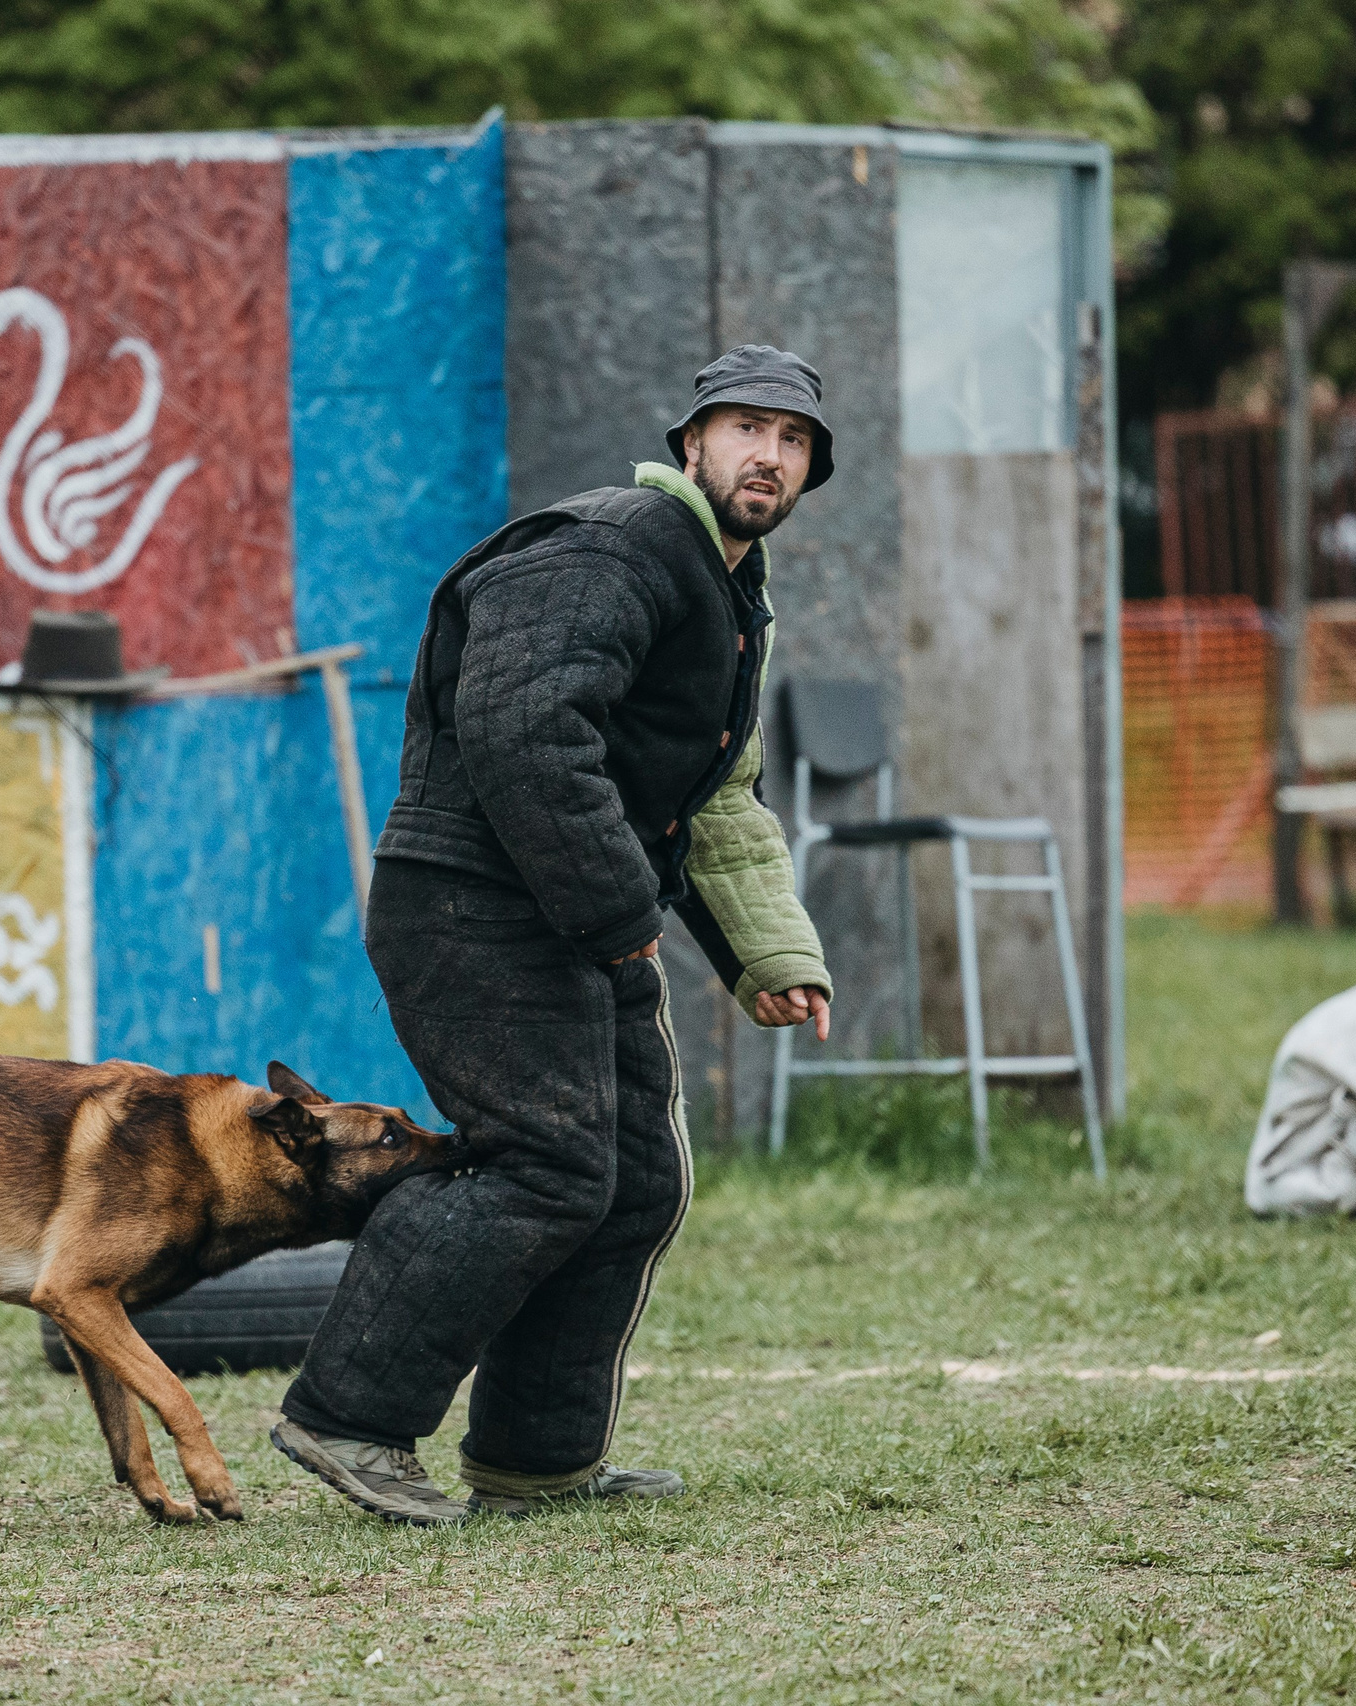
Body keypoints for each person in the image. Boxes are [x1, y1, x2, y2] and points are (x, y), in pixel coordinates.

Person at [271, 346, 837, 1525]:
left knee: (632, 1177)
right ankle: (348, 1418)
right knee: (548, 1161)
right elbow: (522, 725)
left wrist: (772, 953)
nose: (766, 456)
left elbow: (720, 793)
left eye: (791, 441)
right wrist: (622, 914)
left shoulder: (735, 595)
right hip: (472, 901)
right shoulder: (612, 544)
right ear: (692, 444)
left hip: (575, 909)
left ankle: (536, 1458)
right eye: (744, 429)